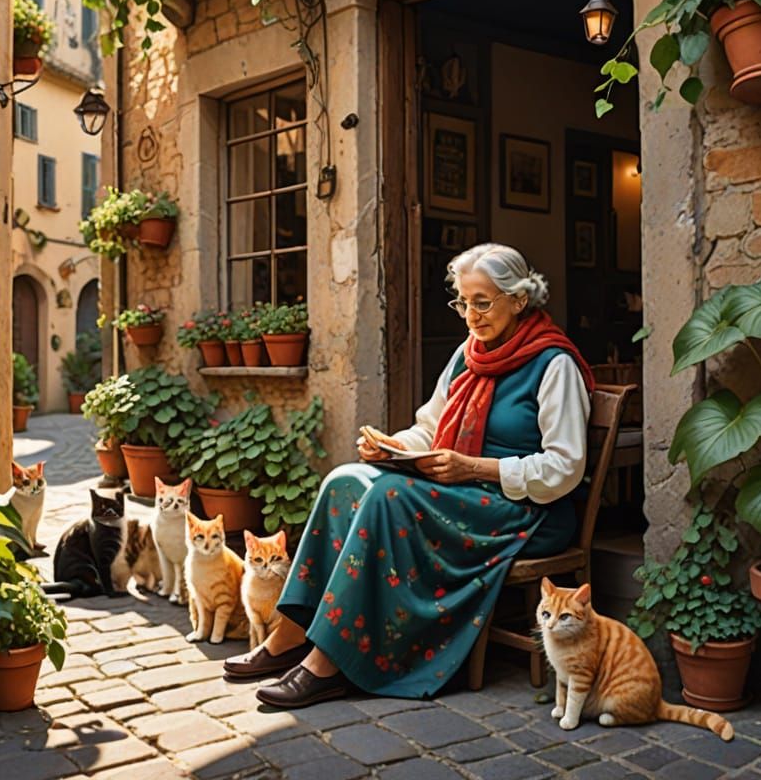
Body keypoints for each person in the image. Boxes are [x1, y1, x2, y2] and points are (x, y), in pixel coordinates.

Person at [223, 242, 594, 707]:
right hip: (461, 493)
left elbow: (564, 467)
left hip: (523, 510)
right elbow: (430, 428)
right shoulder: (468, 355)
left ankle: (329, 663)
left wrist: (475, 467)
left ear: (519, 300)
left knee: (388, 498)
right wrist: (395, 447)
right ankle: (290, 635)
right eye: (463, 302)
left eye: (483, 302)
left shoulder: (553, 363)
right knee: (344, 480)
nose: (471, 316)